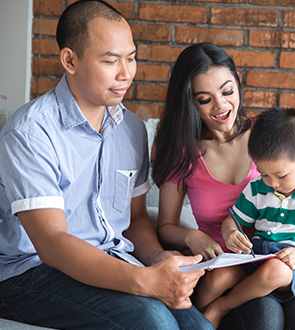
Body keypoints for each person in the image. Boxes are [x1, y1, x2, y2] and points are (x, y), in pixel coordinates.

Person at [0, 2, 214, 329]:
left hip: (112, 258)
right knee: (152, 320)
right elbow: (52, 243)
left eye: (131, 58)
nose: (125, 73)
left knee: (198, 326)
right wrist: (145, 282)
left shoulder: (131, 128)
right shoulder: (30, 133)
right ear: (70, 60)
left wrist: (156, 259)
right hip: (29, 273)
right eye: (111, 60)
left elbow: (136, 217)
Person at [152, 43, 295, 330]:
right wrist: (191, 236)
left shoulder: (268, 137)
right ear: (189, 102)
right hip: (226, 267)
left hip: (283, 260)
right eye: (204, 99)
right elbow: (165, 227)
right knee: (265, 318)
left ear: (237, 84)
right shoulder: (182, 152)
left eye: (227, 91)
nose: (221, 106)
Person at [193, 107, 295, 328]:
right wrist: (231, 233)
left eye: (281, 175)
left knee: (275, 271)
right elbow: (233, 220)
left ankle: (222, 306)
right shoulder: (258, 188)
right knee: (216, 278)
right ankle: (195, 321)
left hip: (293, 266)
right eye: (264, 173)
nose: (273, 183)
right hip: (257, 256)